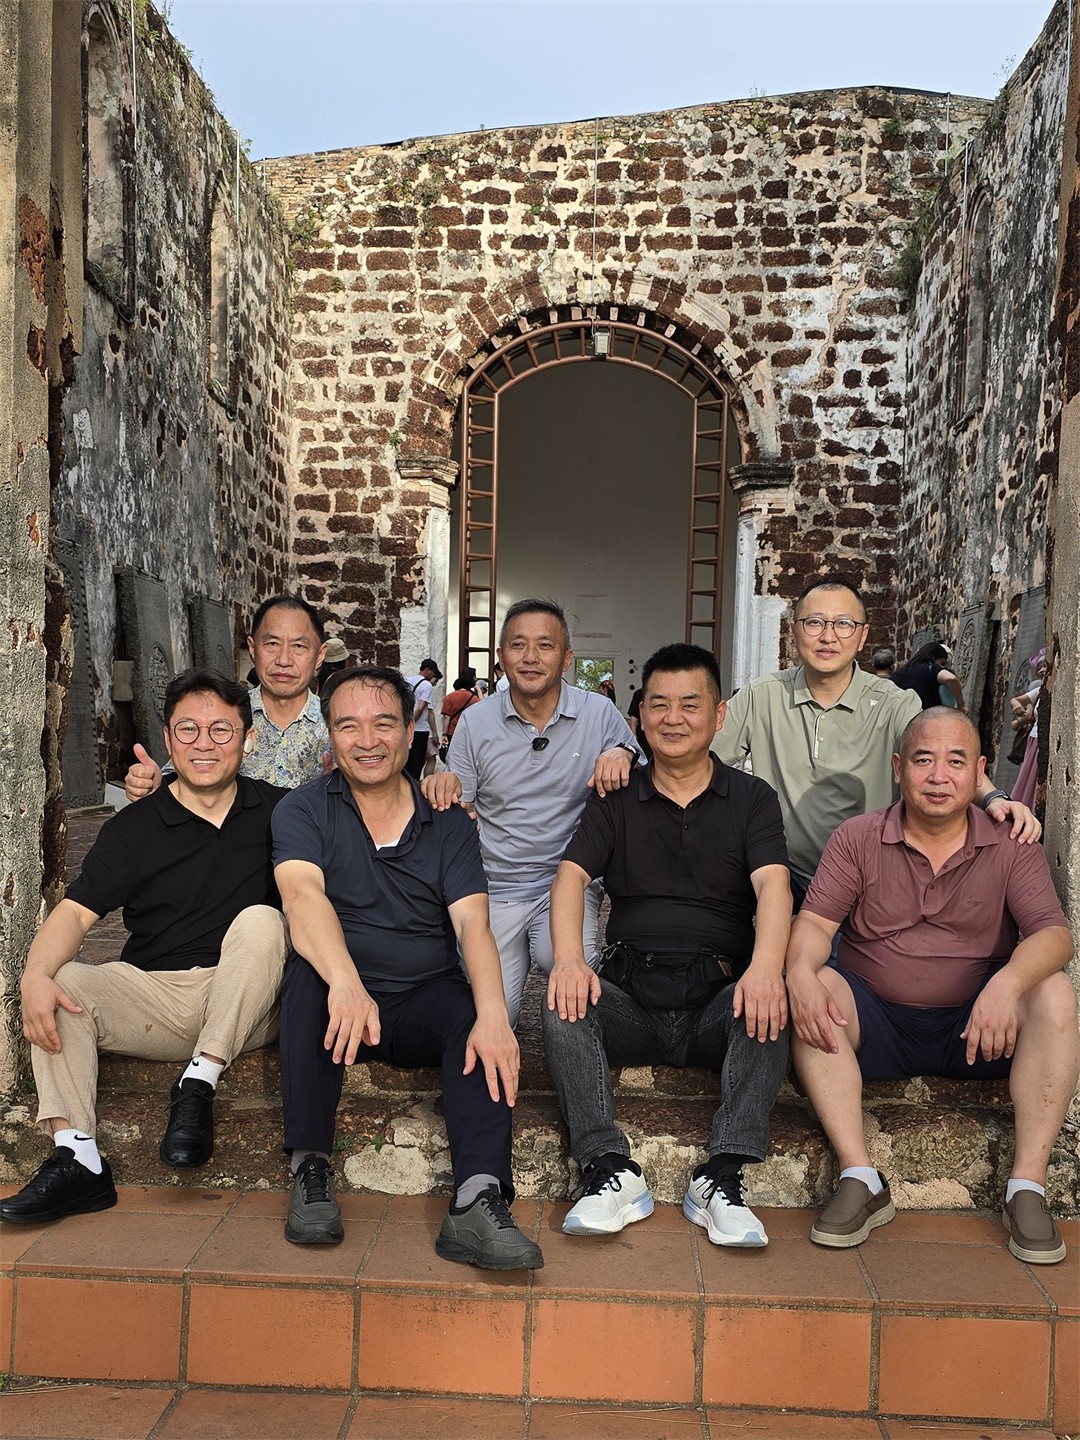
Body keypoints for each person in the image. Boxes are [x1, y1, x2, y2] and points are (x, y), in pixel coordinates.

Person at [271, 666, 542, 1270]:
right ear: (330, 734)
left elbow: (473, 924)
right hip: (342, 1000)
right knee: (305, 980)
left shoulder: (445, 819)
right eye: (348, 726)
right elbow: (301, 898)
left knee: (476, 1017)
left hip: (422, 996)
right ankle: (310, 1168)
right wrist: (346, 982)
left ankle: (477, 1200)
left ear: (410, 727)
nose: (367, 740)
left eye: (383, 723)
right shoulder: (303, 810)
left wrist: (495, 1016)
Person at [786, 709, 1076, 1265]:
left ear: (979, 771)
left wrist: (1007, 983)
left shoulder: (1011, 842)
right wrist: (798, 971)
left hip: (980, 1029)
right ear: (899, 768)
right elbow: (816, 926)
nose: (938, 776)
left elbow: (1054, 936)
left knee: (1054, 992)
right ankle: (859, 1175)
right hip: (876, 1022)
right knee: (814, 983)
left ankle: (1027, 1186)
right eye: (923, 760)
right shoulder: (858, 837)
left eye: (955, 762)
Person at [1, 670, 288, 1225]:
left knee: (262, 921)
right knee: (62, 981)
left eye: (222, 730)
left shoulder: (284, 812)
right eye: (188, 729)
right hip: (158, 997)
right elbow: (75, 913)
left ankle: (198, 1082)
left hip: (249, 998)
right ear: (167, 739)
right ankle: (78, 1158)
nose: (204, 744)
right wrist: (35, 975)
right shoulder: (134, 828)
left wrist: (434, 787)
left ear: (248, 739)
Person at [544, 644, 791, 1246]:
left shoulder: (752, 798)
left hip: (716, 1000)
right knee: (563, 1004)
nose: (673, 719)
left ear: (719, 714)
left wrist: (765, 969)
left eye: (690, 704)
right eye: (658, 705)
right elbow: (571, 876)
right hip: (633, 997)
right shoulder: (617, 796)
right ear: (640, 716)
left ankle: (721, 1176)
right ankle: (609, 1168)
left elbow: (773, 885)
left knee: (769, 1004)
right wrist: (571, 961)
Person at [711, 574, 1037, 911]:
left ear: (862, 635)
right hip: (783, 872)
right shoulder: (763, 696)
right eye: (814, 622)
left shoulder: (893, 703)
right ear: (795, 631)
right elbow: (699, 758)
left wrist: (995, 798)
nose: (828, 636)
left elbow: (940, 754)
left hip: (867, 876)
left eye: (843, 624)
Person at [426, 599, 641, 1025]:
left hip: (567, 883)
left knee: (577, 984)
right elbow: (460, 801)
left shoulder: (598, 714)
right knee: (491, 1018)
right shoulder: (476, 722)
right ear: (501, 656)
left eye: (545, 645)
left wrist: (625, 753)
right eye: (517, 645)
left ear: (567, 657)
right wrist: (443, 786)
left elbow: (640, 768)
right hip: (495, 886)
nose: (530, 657)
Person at [125, 594, 330, 797]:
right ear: (252, 648)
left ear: (320, 655)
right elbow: (184, 771)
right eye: (272, 644)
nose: (284, 660)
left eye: (298, 646)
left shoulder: (336, 724)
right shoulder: (225, 711)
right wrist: (155, 786)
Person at [1009, 649, 1047, 809]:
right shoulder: (1039, 690)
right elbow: (1015, 700)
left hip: (1046, 741)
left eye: (1045, 666)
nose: (1042, 670)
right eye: (1039, 667)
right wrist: (1016, 705)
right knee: (1028, 779)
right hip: (1034, 739)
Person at [892, 640, 965, 710]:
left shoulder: (898, 675)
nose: (942, 667)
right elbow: (951, 679)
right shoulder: (931, 669)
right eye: (942, 663)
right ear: (933, 657)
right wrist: (961, 705)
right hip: (928, 715)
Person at [404, 658, 442, 780]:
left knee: (406, 761)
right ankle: (414, 785)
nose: (432, 676)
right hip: (420, 729)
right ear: (427, 670)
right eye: (433, 672)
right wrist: (412, 722)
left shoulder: (407, 681)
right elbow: (421, 707)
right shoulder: (426, 685)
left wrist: (405, 723)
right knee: (417, 762)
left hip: (406, 727)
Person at [439, 668, 481, 760]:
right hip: (467, 731)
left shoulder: (449, 697)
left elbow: (446, 717)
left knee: (453, 757)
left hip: (452, 731)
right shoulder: (474, 699)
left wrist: (444, 734)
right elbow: (483, 708)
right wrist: (478, 690)